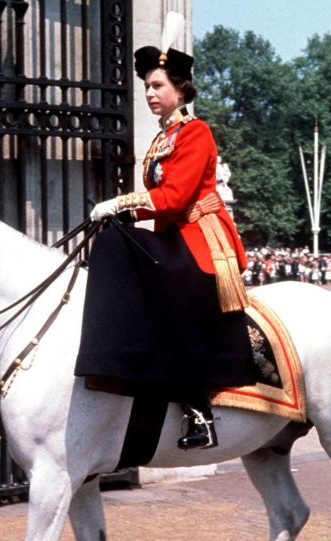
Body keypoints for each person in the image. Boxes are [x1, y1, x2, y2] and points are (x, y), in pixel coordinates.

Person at [74, 13, 252, 451]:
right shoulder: (161, 140)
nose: (150, 93)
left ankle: (200, 411)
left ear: (181, 89)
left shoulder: (196, 133)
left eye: (157, 86)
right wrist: (118, 216)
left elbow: (173, 199)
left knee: (170, 302)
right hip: (175, 237)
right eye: (148, 86)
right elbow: (160, 203)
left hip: (203, 241)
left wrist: (119, 204)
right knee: (114, 239)